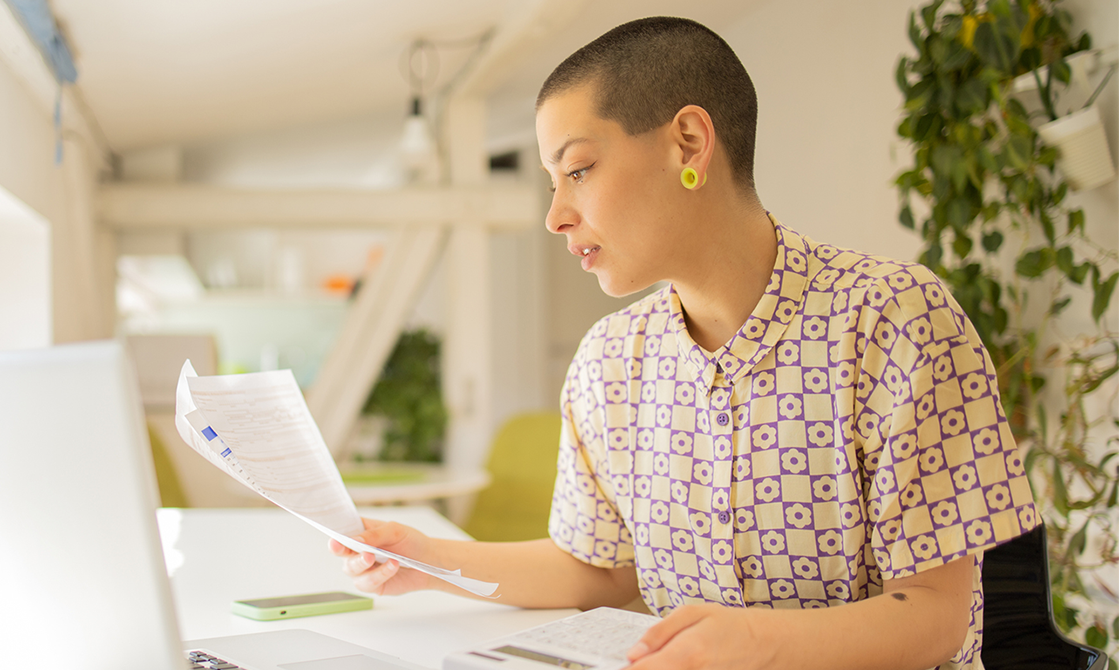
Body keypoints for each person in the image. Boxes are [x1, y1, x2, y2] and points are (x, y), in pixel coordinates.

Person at [330, 16, 1037, 670]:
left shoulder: (893, 320)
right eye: (551, 182)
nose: (555, 215)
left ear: (689, 143)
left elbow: (936, 619)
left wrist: (755, 639)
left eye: (576, 170)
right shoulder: (610, 362)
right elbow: (600, 569)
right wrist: (429, 561)